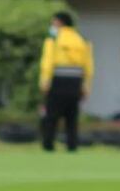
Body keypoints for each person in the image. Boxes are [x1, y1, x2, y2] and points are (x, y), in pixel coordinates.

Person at [39, 12, 94, 153]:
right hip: (75, 82)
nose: (52, 26)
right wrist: (86, 85)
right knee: (72, 116)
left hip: (57, 81)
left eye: (54, 22)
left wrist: (45, 81)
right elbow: (88, 65)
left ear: (60, 23)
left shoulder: (53, 38)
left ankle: (48, 144)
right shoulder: (81, 39)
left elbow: (48, 61)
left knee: (51, 115)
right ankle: (72, 145)